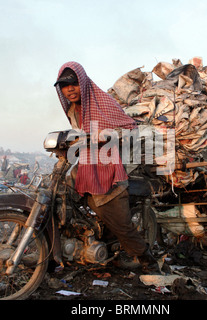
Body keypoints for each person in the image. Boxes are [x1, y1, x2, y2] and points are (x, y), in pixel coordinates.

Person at [54, 61, 159, 273]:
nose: (70, 89)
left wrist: (102, 136)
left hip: (111, 168)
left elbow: (130, 130)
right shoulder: (74, 110)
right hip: (88, 164)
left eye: (73, 83)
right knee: (59, 197)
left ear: (82, 83)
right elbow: (82, 137)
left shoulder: (103, 102)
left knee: (121, 225)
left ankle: (148, 261)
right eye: (65, 86)